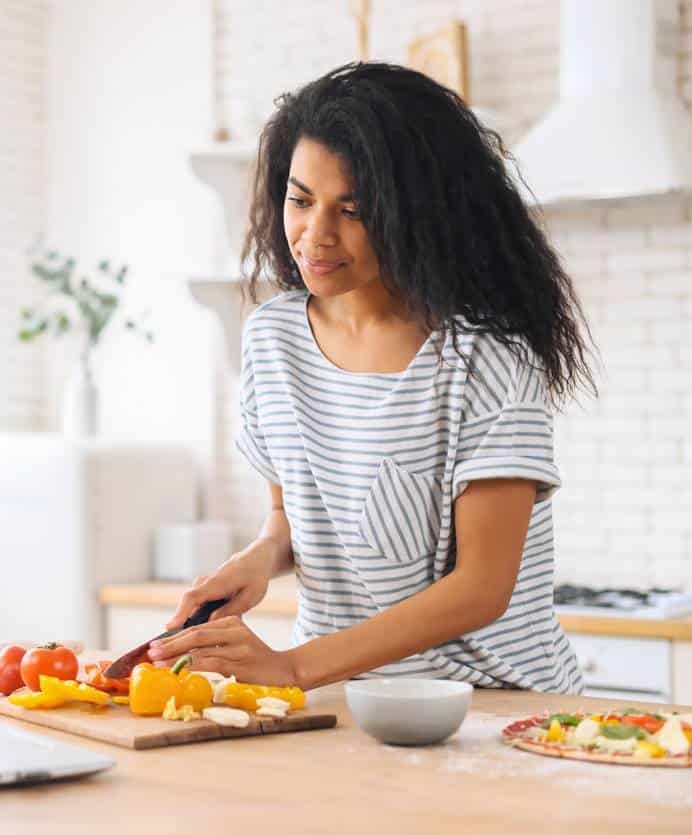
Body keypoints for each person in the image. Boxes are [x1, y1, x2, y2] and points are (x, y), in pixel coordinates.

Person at [151, 62, 597, 694]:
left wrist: (293, 666)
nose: (316, 236)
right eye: (300, 200)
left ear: (418, 213)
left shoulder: (486, 357)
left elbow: (481, 589)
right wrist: (256, 562)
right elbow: (289, 520)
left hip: (490, 707)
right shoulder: (273, 339)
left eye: (353, 210)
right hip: (346, 697)